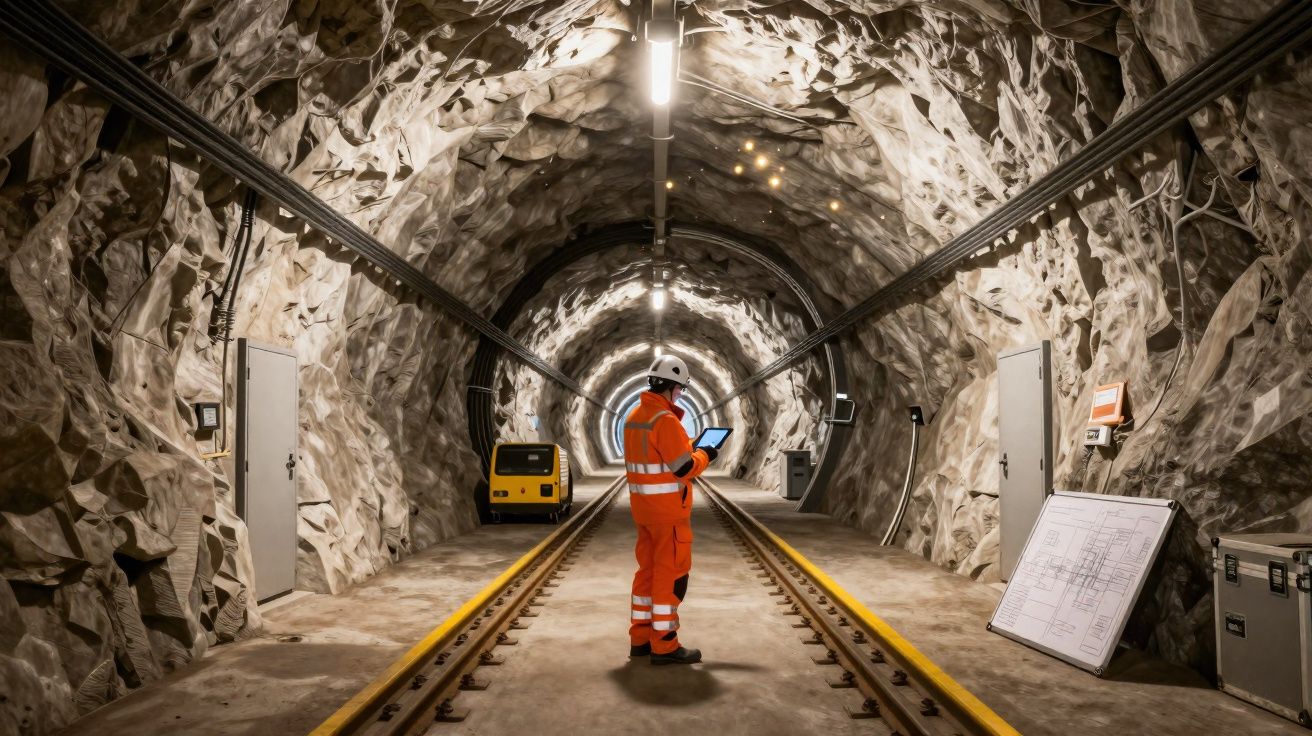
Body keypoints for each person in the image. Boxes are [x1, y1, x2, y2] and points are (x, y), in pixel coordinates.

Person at [623, 354, 717, 665]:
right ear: (673, 387)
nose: (681, 395)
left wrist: (689, 442)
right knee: (670, 576)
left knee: (646, 574)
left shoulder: (636, 417)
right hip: (669, 516)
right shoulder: (665, 421)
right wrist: (705, 454)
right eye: (681, 390)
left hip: (644, 512)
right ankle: (664, 644)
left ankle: (640, 638)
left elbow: (659, 452)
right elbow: (684, 467)